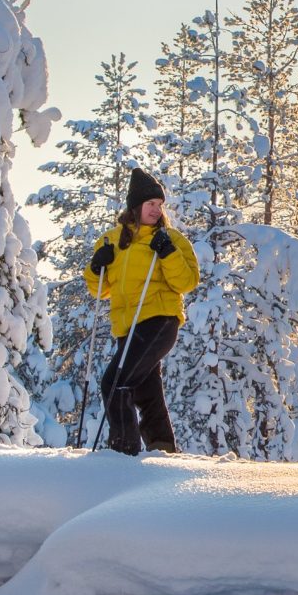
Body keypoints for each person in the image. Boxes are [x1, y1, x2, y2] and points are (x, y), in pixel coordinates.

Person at [85, 168, 200, 455]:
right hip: (127, 326)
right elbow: (100, 289)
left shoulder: (169, 238)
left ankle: (123, 450)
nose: (156, 209)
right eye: (151, 204)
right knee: (146, 391)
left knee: (116, 382)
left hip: (159, 319)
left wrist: (168, 253)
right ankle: (163, 448)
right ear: (135, 206)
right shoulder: (112, 241)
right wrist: (97, 266)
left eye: (159, 205)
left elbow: (187, 282)